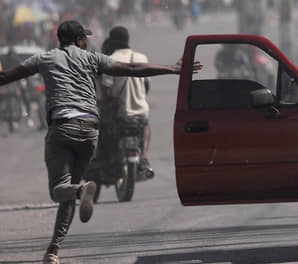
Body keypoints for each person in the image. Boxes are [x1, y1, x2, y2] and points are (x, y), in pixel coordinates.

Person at [0, 20, 200, 264]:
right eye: (86, 37)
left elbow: (6, 76)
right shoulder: (92, 58)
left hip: (62, 130)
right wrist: (171, 69)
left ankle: (82, 191)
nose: (88, 41)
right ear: (80, 40)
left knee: (59, 190)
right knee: (69, 190)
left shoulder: (44, 59)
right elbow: (132, 69)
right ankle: (53, 251)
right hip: (89, 131)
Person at [98, 26, 153, 177]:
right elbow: (146, 86)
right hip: (141, 111)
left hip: (119, 113)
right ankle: (145, 157)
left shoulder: (109, 60)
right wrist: (140, 98)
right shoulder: (141, 58)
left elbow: (106, 91)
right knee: (146, 126)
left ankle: (106, 162)